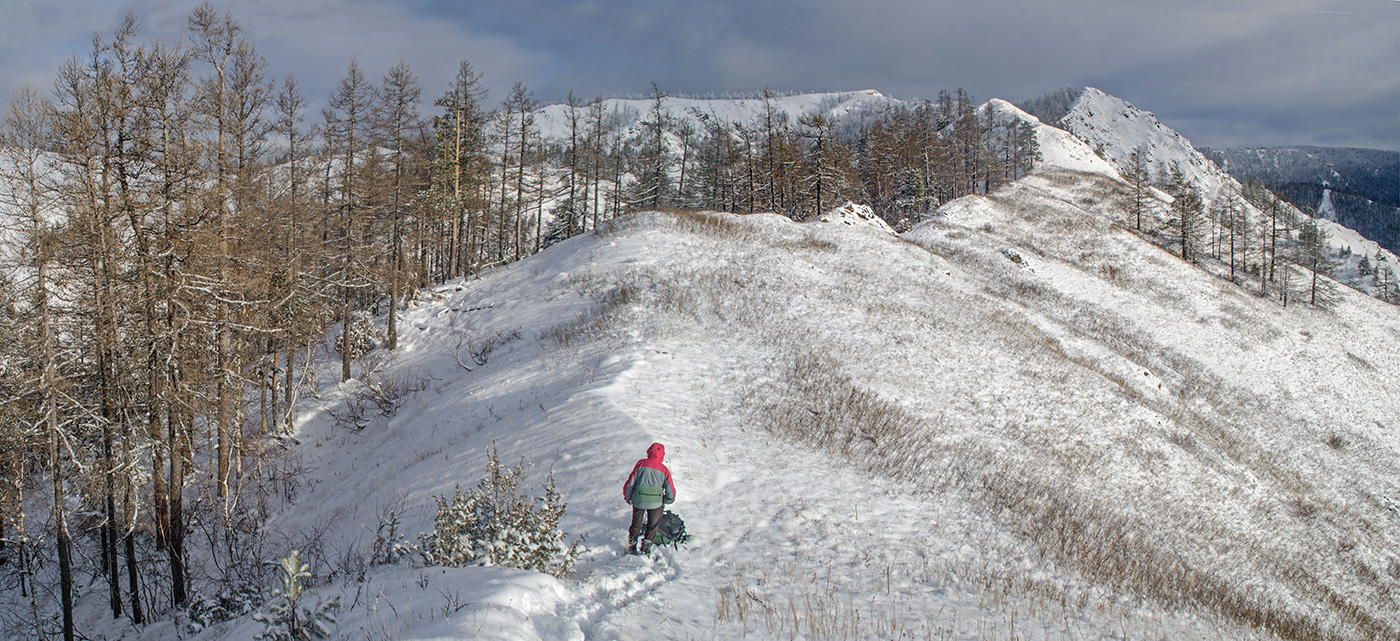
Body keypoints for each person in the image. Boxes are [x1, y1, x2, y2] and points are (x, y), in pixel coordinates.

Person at [622, 442, 675, 554]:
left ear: (649, 451)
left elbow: (631, 482)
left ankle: (632, 547)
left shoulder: (641, 464)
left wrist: (628, 497)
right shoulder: (664, 470)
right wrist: (665, 500)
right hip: (656, 503)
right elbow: (671, 492)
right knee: (652, 526)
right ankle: (645, 550)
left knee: (636, 524)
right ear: (662, 454)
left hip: (639, 500)